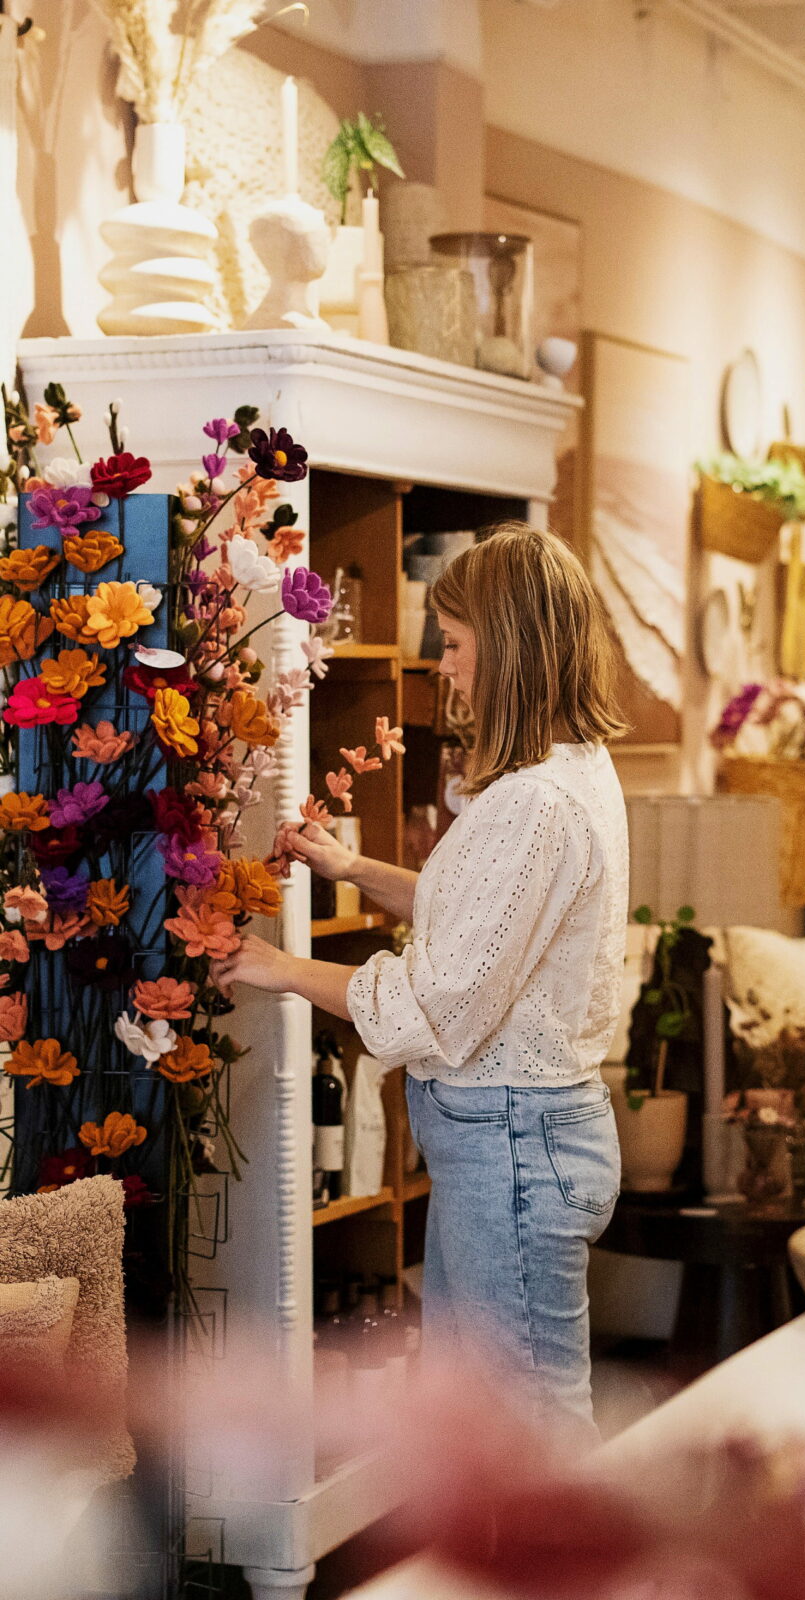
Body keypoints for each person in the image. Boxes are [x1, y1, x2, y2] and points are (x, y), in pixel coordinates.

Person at [211, 523, 630, 1430]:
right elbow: (486, 924)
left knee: (527, 1435)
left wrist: (277, 966)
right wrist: (355, 870)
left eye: (455, 643)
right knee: (502, 1422)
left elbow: (436, 1004)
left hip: (513, 1148)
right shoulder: (572, 771)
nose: (444, 667)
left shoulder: (533, 803)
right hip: (526, 1141)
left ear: (510, 648)